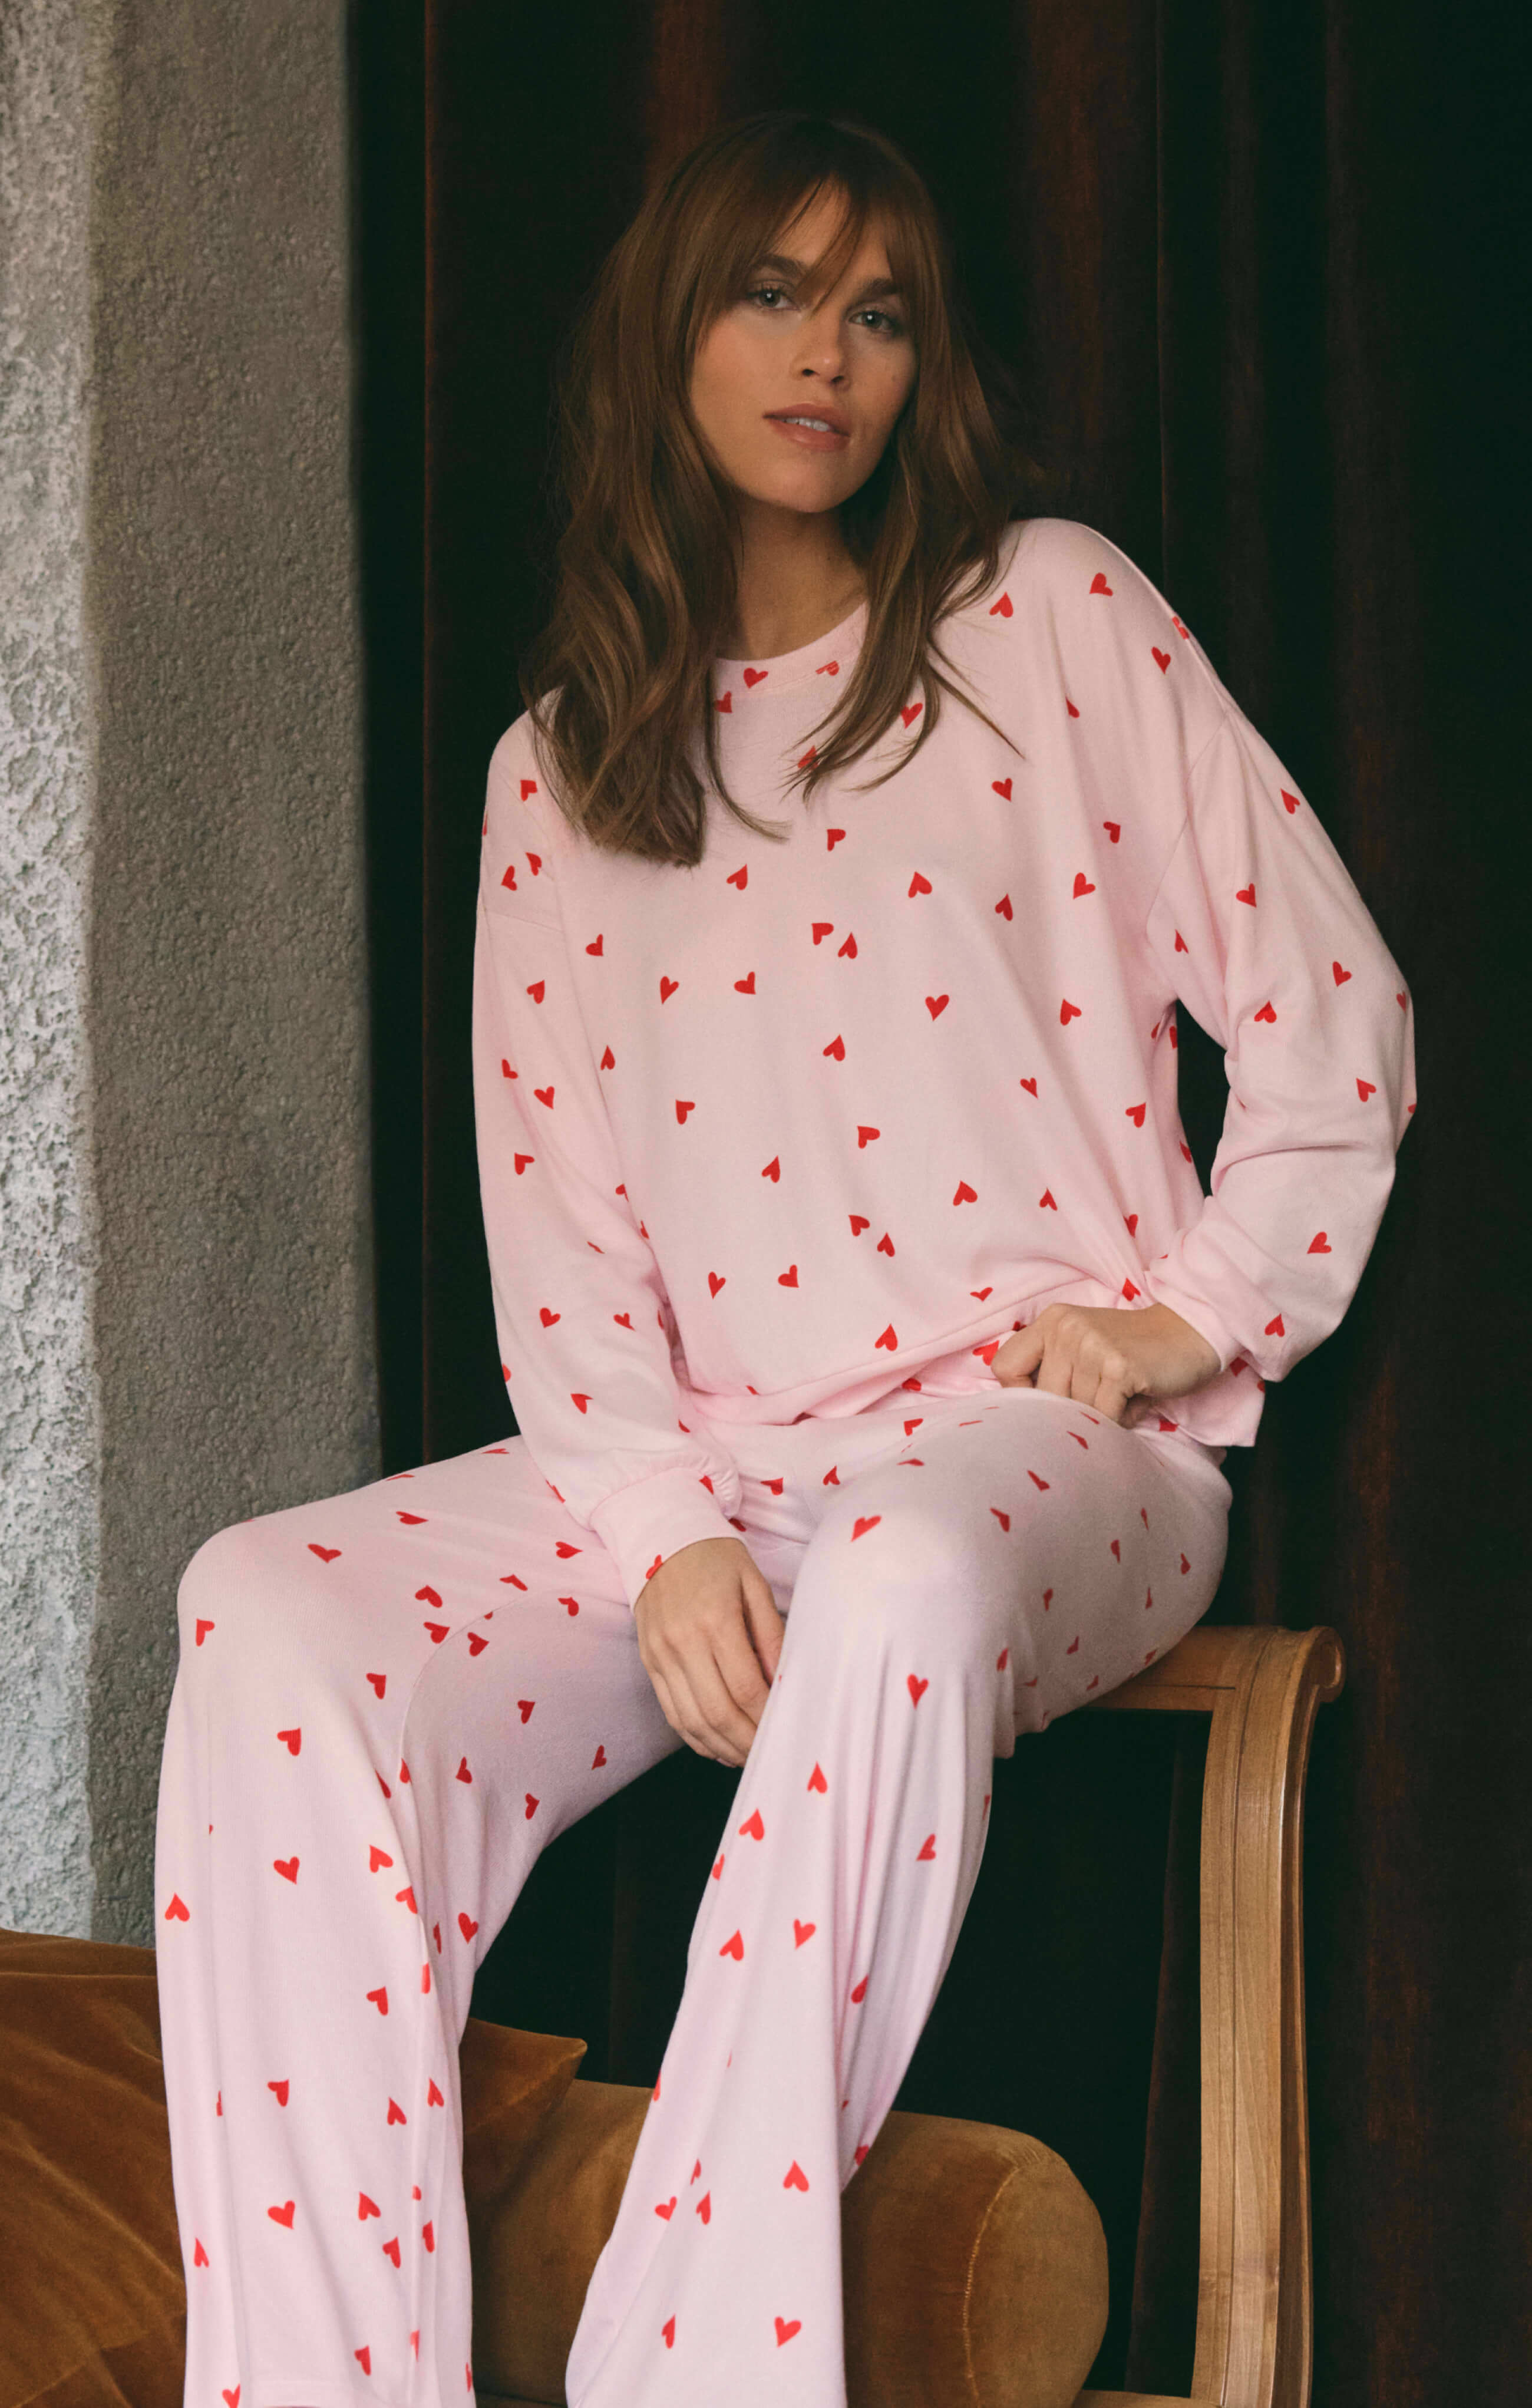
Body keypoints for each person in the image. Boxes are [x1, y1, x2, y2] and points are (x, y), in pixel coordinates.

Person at [154, 107, 1417, 2408]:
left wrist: (1188, 1314)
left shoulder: (1041, 614)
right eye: (770, 292)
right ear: (670, 331)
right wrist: (650, 1534)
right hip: (696, 1468)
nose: (823, 351)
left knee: (901, 1571)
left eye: (876, 307)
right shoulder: (555, 774)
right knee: (261, 1602)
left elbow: (1331, 1017)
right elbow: (562, 1258)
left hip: (1029, 1454)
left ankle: (693, 2369)